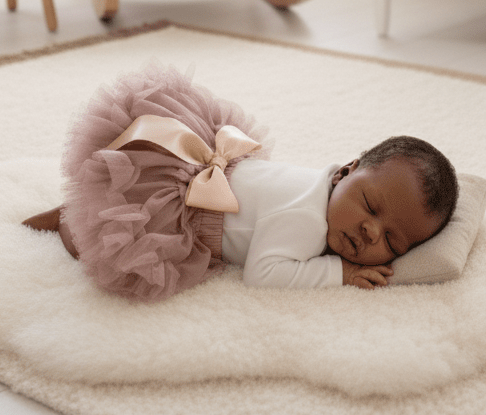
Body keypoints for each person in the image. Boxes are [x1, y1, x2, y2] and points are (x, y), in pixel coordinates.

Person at [23, 63, 458, 301]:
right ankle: (70, 223)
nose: (370, 232)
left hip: (207, 170)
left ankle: (76, 209)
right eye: (370, 206)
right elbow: (263, 274)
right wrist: (337, 273)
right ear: (346, 170)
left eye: (393, 243)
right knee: (114, 240)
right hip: (182, 212)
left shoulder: (320, 188)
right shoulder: (306, 221)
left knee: (120, 192)